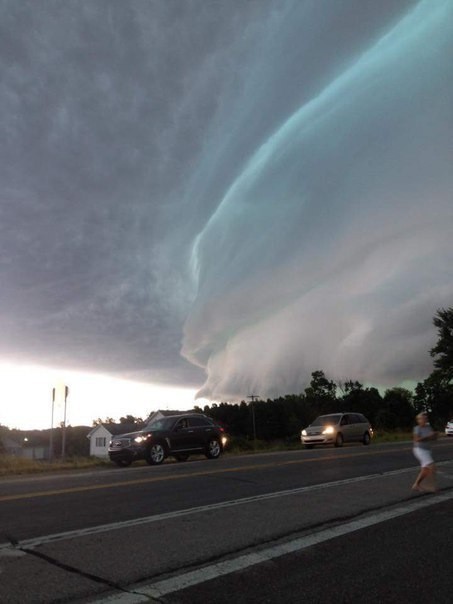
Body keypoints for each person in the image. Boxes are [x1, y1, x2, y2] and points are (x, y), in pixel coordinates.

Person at [412, 411, 438, 492]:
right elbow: (416, 439)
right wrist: (428, 436)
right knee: (432, 466)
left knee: (425, 469)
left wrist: (434, 435)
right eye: (422, 419)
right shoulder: (417, 428)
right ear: (418, 420)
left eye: (425, 418)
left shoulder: (428, 427)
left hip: (427, 450)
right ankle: (430, 486)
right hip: (420, 450)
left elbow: (433, 438)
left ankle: (416, 485)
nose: (424, 420)